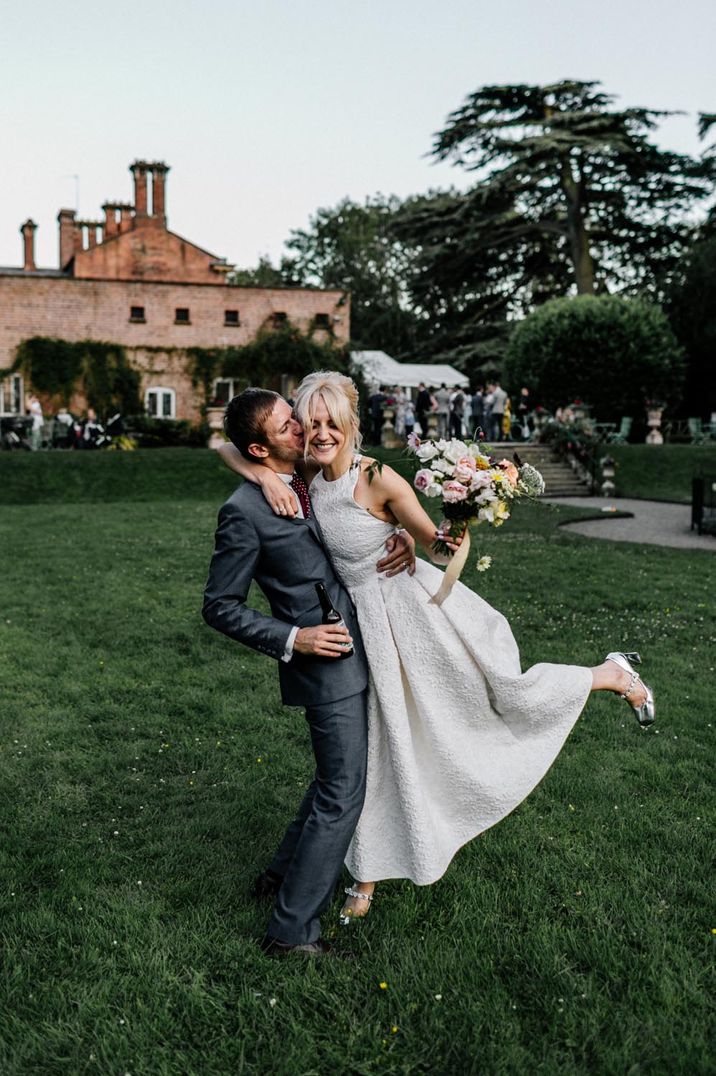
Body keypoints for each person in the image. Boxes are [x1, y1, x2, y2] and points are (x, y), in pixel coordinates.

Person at [220, 371, 655, 926]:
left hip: (411, 620)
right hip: (360, 631)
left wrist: (463, 510)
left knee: (497, 699)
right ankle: (367, 875)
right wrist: (260, 473)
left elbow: (437, 543)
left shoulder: (378, 477)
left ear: (353, 424)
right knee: (382, 744)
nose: (321, 432)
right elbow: (224, 444)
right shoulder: (303, 470)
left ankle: (608, 673)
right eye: (311, 422)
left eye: (333, 422)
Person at [202, 389, 416, 958]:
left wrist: (389, 532)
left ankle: (278, 879)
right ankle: (291, 932)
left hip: (362, 640)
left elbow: (228, 444)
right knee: (343, 791)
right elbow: (218, 606)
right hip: (326, 664)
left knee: (331, 782)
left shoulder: (302, 474)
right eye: (286, 425)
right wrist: (295, 639)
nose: (301, 428)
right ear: (260, 446)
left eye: (295, 418)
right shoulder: (243, 512)